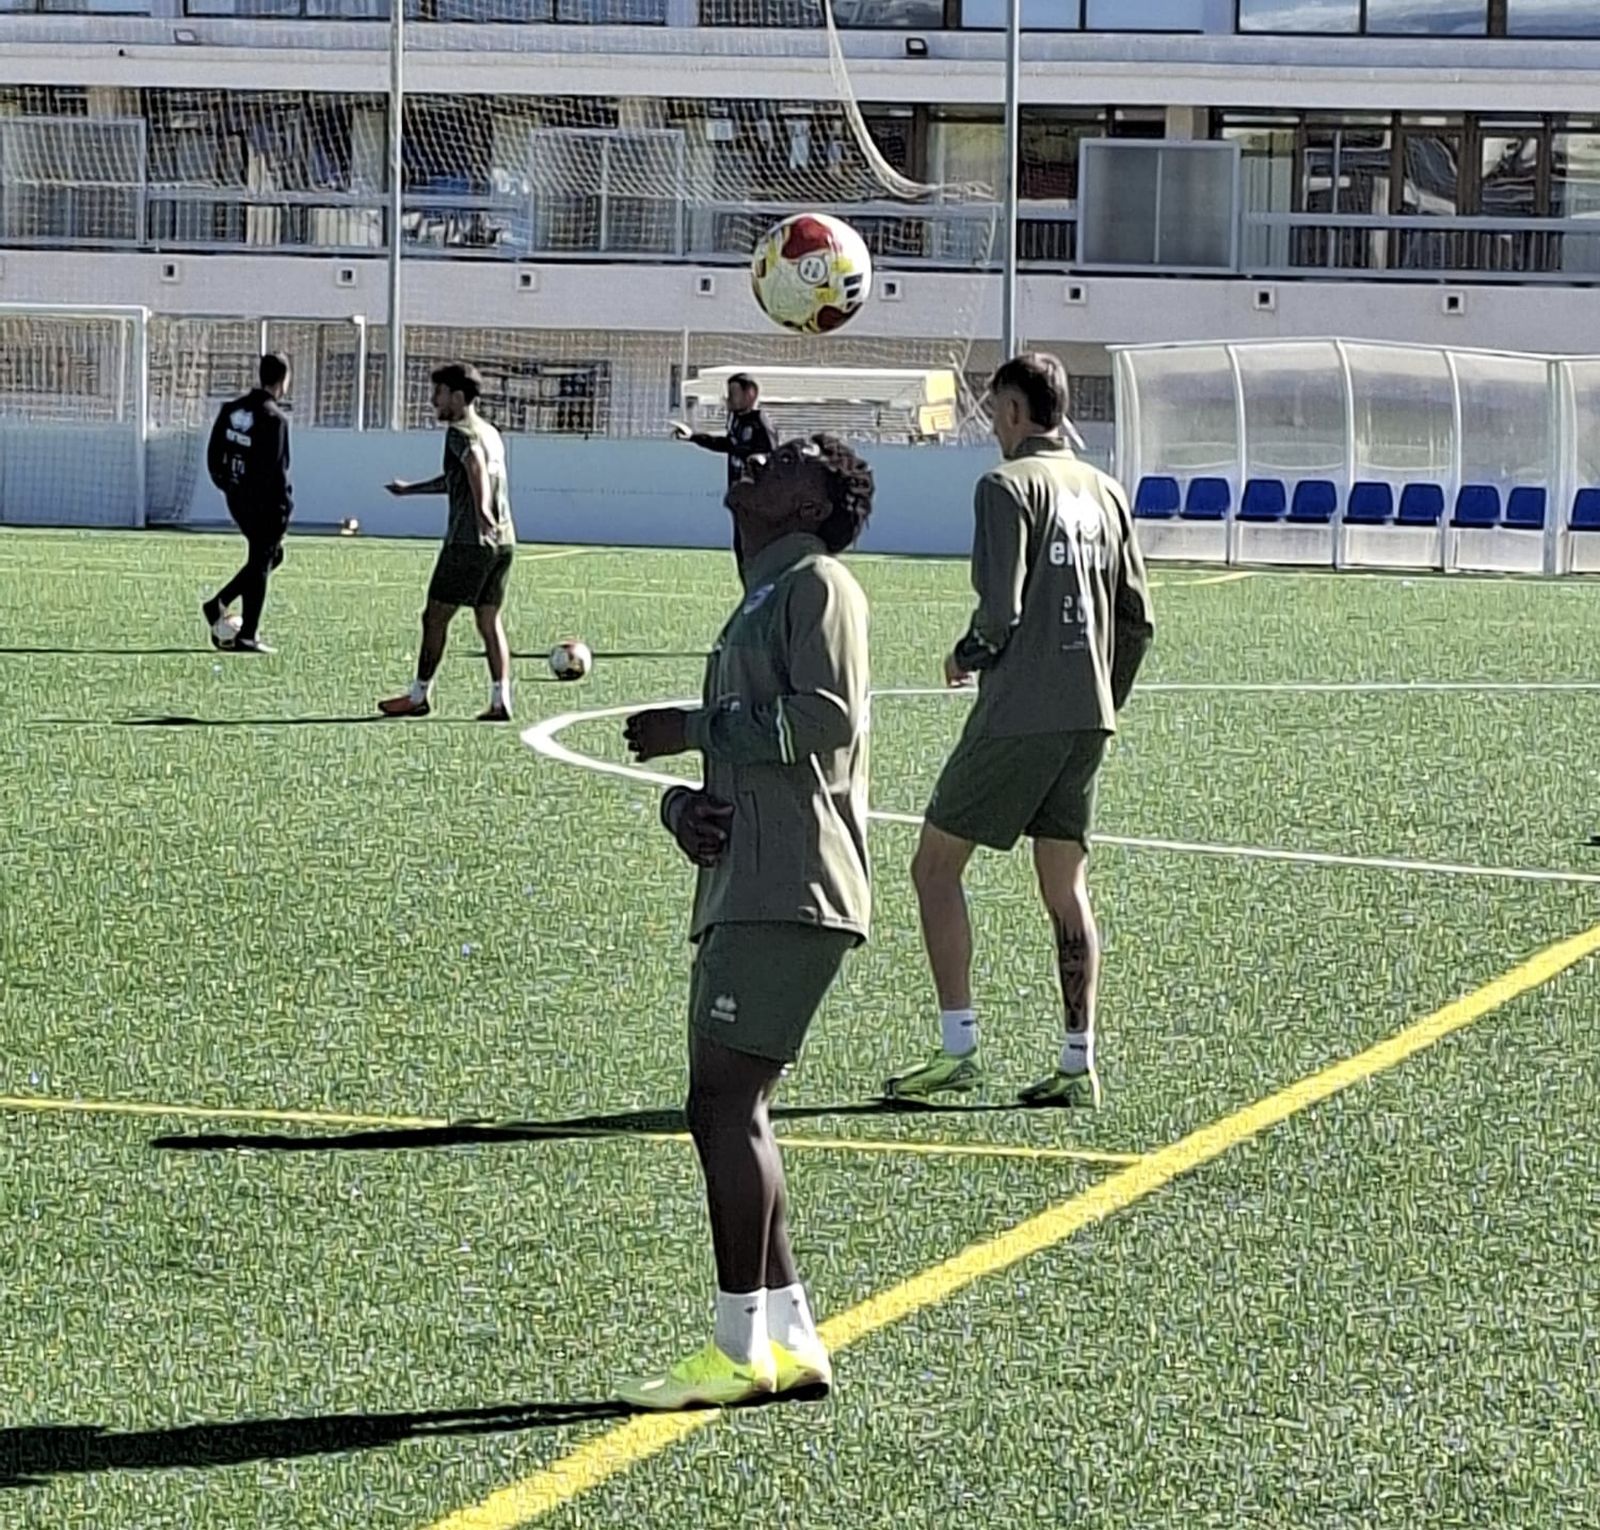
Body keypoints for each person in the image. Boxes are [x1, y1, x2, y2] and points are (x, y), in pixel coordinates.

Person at [617, 434, 874, 1411]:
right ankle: (788, 1336)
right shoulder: (767, 589)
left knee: (722, 1105)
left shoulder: (818, 583)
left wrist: (694, 727)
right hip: (756, 882)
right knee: (733, 1106)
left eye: (801, 458)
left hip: (792, 888)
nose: (772, 457)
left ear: (816, 505)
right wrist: (685, 807)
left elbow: (825, 721)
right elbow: (760, 761)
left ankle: (735, 1351)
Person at [884, 352, 1155, 1111]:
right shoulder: (1107, 490)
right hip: (1086, 717)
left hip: (1019, 714)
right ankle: (1078, 1062)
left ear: (1011, 412)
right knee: (1065, 886)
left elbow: (997, 618)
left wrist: (963, 656)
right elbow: (1139, 621)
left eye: (993, 412)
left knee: (935, 869)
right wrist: (1105, 699)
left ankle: (959, 1047)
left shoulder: (1005, 487)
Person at [378, 363, 517, 723]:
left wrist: (482, 508)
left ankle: (418, 696)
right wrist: (411, 490)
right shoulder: (491, 432)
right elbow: (457, 478)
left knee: (434, 617)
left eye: (438, 393)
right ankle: (501, 699)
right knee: (489, 621)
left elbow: (473, 466)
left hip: (468, 542)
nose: (432, 400)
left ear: (457, 396)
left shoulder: (460, 431)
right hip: (503, 541)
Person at [202, 352, 294, 655]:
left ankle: (218, 603)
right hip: (265, 503)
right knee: (262, 559)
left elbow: (214, 452)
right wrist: (284, 507)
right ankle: (247, 636)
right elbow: (277, 469)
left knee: (270, 557)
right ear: (284, 380)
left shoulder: (232, 409)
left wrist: (227, 485)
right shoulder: (273, 418)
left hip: (237, 498)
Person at [671, 372, 777, 569]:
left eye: (733, 392)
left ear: (751, 394)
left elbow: (772, 459)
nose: (728, 397)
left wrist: (759, 463)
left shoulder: (761, 422)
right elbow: (728, 444)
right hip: (740, 498)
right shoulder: (735, 419)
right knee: (741, 551)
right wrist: (694, 437)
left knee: (757, 552)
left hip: (757, 503)